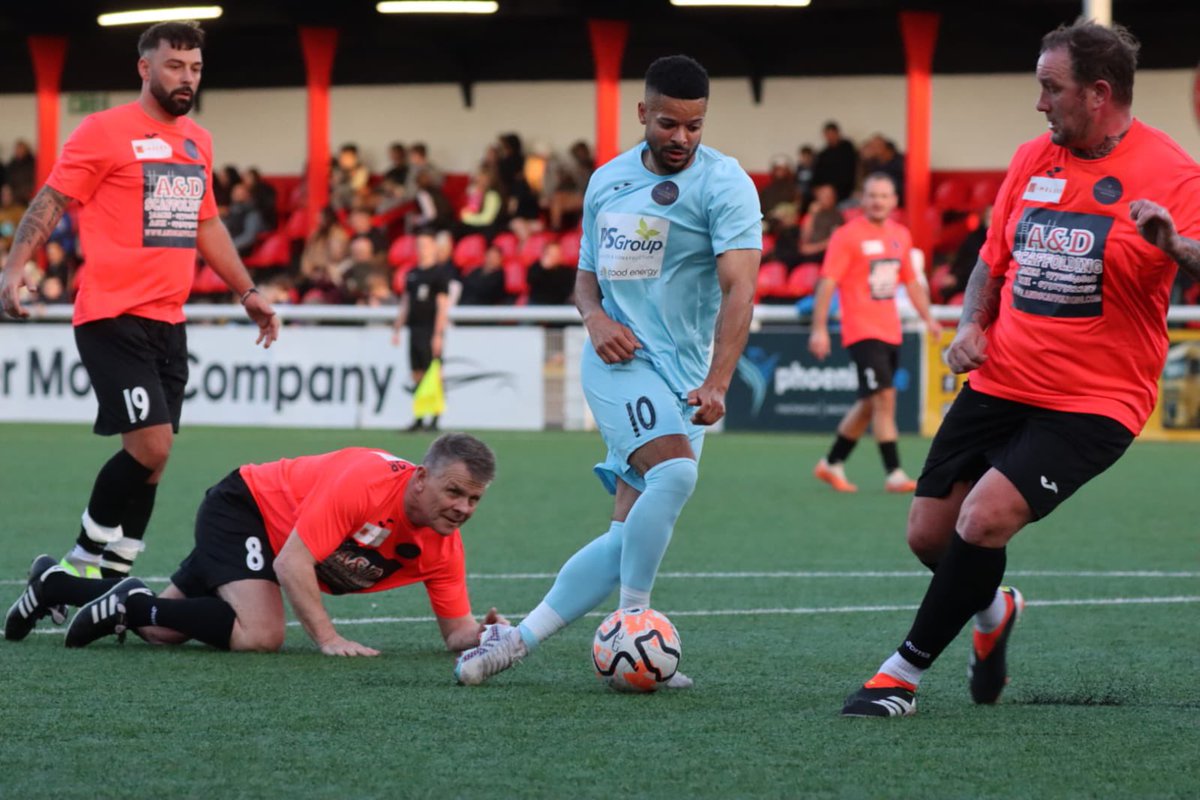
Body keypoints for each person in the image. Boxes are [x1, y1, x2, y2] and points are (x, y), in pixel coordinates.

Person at [841, 19, 1200, 717]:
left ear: (1099, 94)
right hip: (1002, 377)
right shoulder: (1032, 158)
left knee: (983, 519)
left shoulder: (1175, 172)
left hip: (1095, 398)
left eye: (1050, 88)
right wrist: (972, 322)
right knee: (929, 535)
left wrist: (1176, 245)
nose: (1039, 104)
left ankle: (899, 677)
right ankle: (992, 610)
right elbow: (989, 260)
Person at [453, 54, 761, 686]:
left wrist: (717, 381)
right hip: (618, 362)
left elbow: (741, 291)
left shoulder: (726, 185)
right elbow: (586, 280)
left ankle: (513, 641)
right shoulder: (607, 181)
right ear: (643, 113)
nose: (682, 138)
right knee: (673, 475)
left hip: (683, 375)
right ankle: (633, 623)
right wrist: (594, 320)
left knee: (626, 535)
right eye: (670, 123)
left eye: (695, 126)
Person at [0, 21, 279, 584]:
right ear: (145, 67)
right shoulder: (103, 131)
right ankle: (77, 567)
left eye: (195, 67)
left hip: (168, 322)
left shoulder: (198, 141)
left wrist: (246, 290)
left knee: (155, 460)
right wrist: (14, 266)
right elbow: (52, 199)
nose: (187, 77)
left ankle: (114, 579)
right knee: (151, 446)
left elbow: (207, 223)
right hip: (110, 315)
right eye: (175, 65)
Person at [5, 434, 509, 656]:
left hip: (270, 541)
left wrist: (487, 636)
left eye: (473, 499)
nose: (463, 508)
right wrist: (329, 639)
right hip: (245, 508)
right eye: (454, 492)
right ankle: (130, 602)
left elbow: (455, 633)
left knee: (162, 633)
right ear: (421, 478)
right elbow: (293, 563)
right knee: (262, 634)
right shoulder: (367, 483)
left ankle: (58, 585)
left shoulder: (444, 547)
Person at [809, 173, 940, 494]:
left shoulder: (901, 235)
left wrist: (929, 318)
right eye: (872, 195)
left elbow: (911, 282)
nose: (878, 201)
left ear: (894, 201)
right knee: (884, 397)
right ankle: (894, 472)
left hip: (890, 330)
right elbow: (827, 283)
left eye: (884, 196)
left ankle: (831, 463)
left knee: (870, 402)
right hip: (861, 329)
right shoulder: (846, 236)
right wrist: (819, 329)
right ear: (862, 200)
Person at [392, 232, 451, 432]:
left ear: (434, 248)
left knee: (433, 373)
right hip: (414, 329)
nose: (421, 249)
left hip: (429, 329)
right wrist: (398, 326)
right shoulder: (412, 274)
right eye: (418, 245)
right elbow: (406, 301)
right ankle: (419, 416)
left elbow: (442, 306)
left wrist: (438, 334)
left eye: (425, 245)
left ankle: (435, 417)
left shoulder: (440, 275)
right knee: (416, 373)